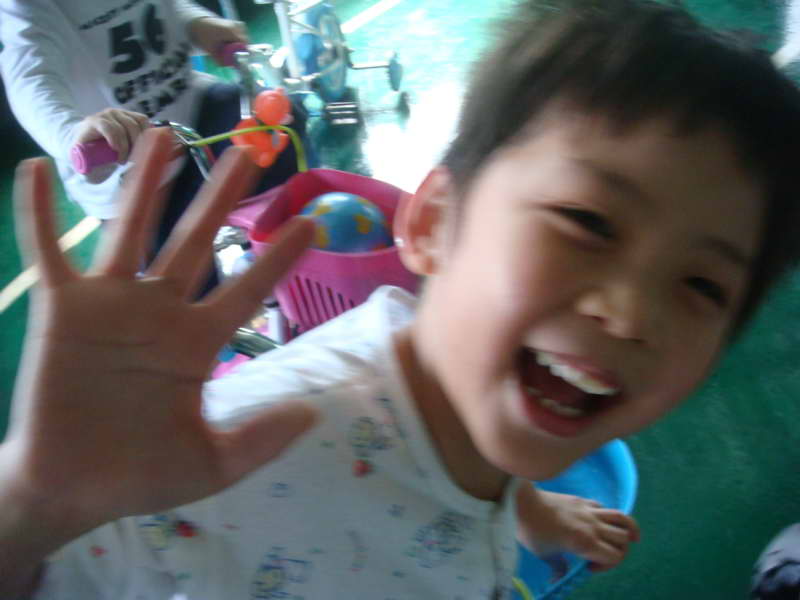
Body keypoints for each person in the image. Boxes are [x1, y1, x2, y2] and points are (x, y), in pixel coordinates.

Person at [3, 0, 800, 597]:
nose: (630, 314)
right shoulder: (261, 449)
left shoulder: (480, 380)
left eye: (702, 284)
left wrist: (524, 511)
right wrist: (34, 503)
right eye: (588, 222)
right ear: (434, 224)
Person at [0, 0, 306, 291]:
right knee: (181, 282)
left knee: (280, 128)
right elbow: (29, 75)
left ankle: (297, 259)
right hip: (127, 162)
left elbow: (163, 8)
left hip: (192, 107)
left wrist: (197, 24)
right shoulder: (30, 8)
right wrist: (70, 133)